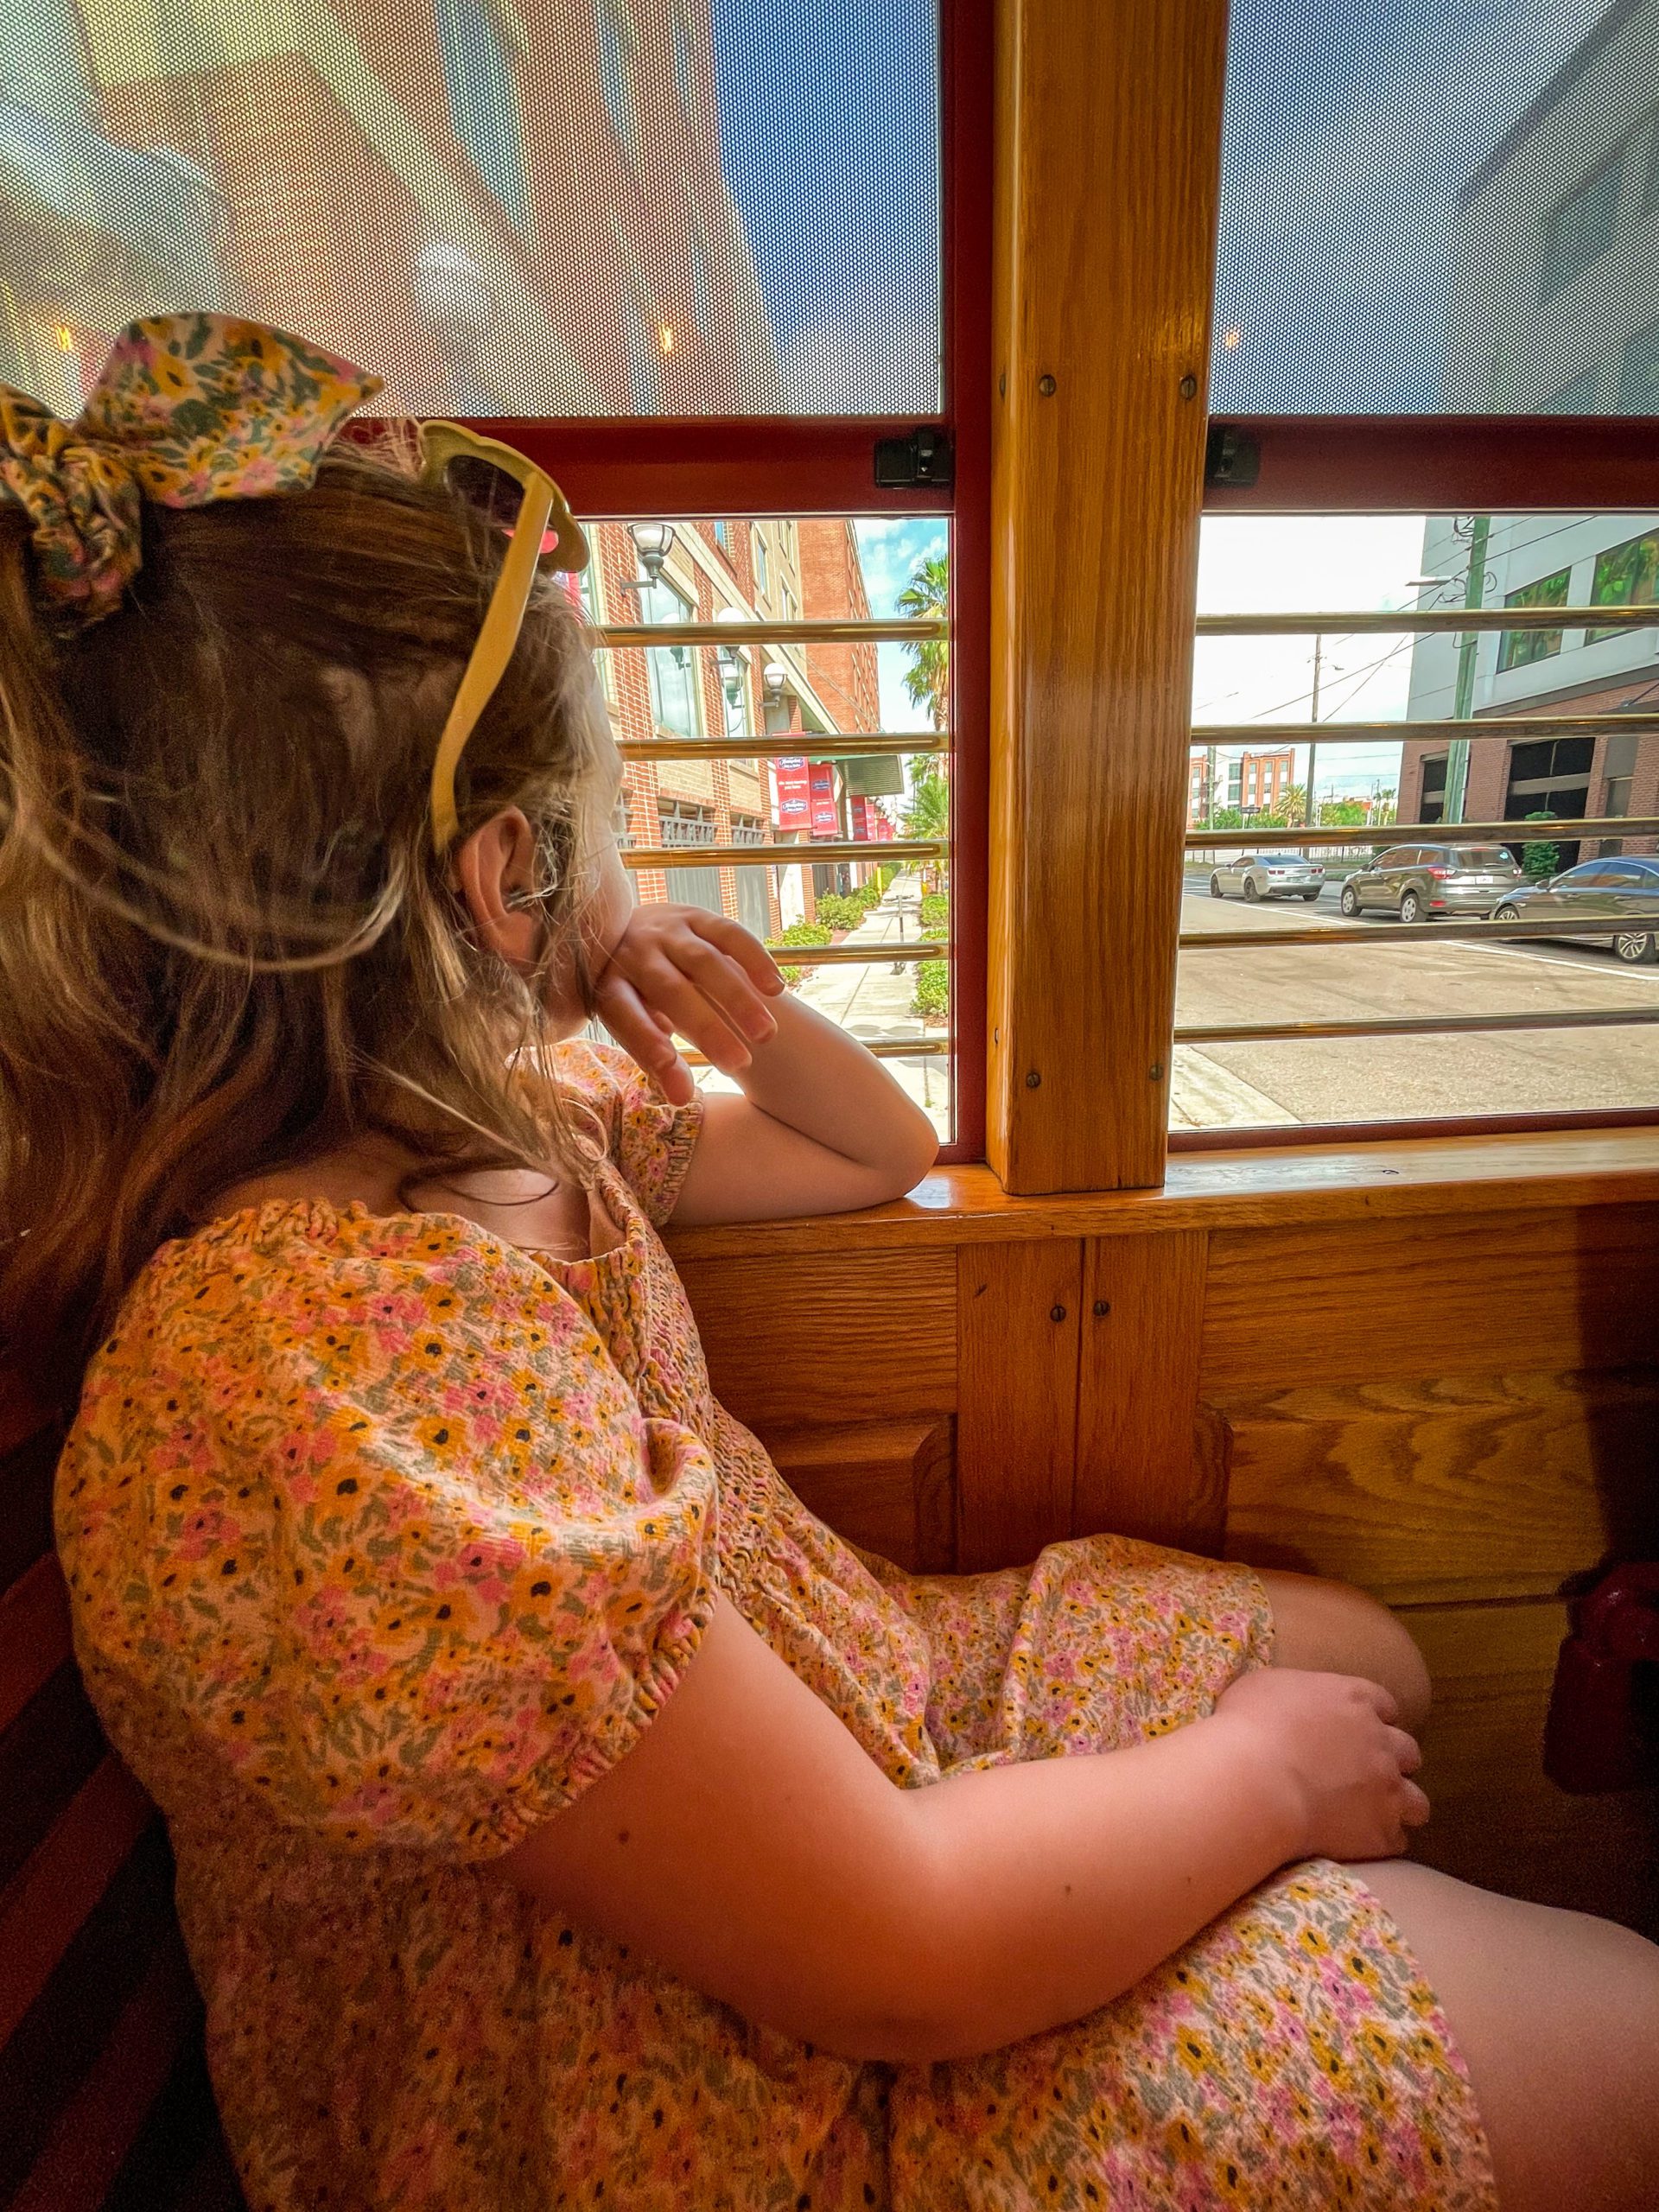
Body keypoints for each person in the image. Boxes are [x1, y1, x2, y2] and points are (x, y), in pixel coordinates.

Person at [3, 317, 1656, 2212]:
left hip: (838, 1707)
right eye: (597, 827)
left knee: (1373, 1658)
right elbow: (893, 1945)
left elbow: (869, 1153)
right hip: (693, 2078)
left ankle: (1274, 1921)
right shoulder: (307, 1370)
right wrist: (1263, 1794)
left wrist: (709, 1004)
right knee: (1603, 2015)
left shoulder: (503, 1140)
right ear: (501, 872)